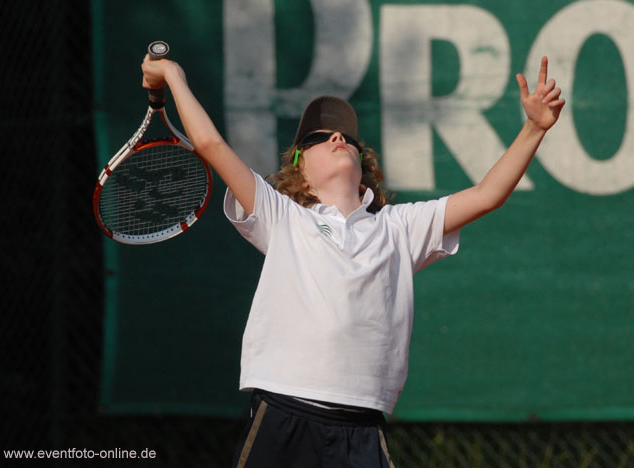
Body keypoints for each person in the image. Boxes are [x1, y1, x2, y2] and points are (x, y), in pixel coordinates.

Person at [142, 54, 564, 468]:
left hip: (363, 428)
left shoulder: (400, 227)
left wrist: (533, 128)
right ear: (300, 171)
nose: (337, 139)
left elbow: (488, 195)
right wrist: (174, 76)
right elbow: (211, 144)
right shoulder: (284, 216)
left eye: (346, 138)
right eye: (317, 139)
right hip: (284, 412)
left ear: (364, 168)